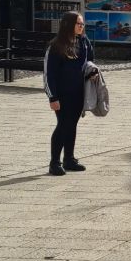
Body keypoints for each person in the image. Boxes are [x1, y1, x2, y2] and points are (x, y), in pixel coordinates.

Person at [44, 11, 94, 176]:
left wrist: (92, 72)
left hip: (78, 92)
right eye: (78, 24)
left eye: (82, 24)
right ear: (68, 25)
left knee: (72, 125)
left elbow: (90, 61)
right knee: (63, 125)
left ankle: (69, 159)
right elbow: (49, 74)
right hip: (62, 93)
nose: (81, 27)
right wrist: (53, 97)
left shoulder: (84, 41)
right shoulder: (56, 45)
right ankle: (54, 162)